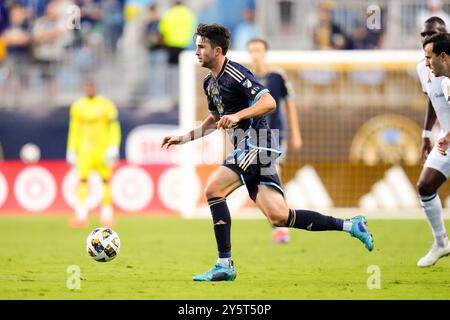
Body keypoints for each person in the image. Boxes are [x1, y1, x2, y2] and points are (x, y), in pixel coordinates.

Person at [162, 23, 373, 282]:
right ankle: (352, 225)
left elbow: (269, 102)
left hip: (258, 143)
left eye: (201, 47)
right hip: (249, 147)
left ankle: (224, 263)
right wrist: (183, 138)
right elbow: (213, 120)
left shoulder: (236, 73)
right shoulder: (210, 83)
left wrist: (238, 115)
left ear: (217, 50)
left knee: (213, 190)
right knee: (279, 216)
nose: (196, 52)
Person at [247, 38, 302, 243]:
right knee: (261, 182)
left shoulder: (277, 76)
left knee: (274, 175)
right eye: (251, 50)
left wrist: (295, 133)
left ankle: (281, 226)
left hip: (275, 134)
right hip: (254, 136)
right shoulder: (247, 77)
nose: (255, 54)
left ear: (265, 52)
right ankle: (278, 221)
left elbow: (289, 105)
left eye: (258, 50)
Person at [416, 19, 450, 268]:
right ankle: (441, 242)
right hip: (446, 139)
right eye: (423, 34)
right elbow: (431, 99)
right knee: (425, 185)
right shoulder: (425, 67)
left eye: (431, 34)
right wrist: (427, 134)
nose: (425, 37)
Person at [66, 80, 121, 228]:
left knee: (106, 181)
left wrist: (113, 146)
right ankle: (81, 216)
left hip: (102, 150)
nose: (89, 89)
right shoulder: (77, 106)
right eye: (87, 87)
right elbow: (74, 129)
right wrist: (71, 149)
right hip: (84, 151)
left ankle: (107, 216)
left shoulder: (106, 105)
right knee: (83, 181)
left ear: (95, 88)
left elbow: (114, 127)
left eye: (91, 87)